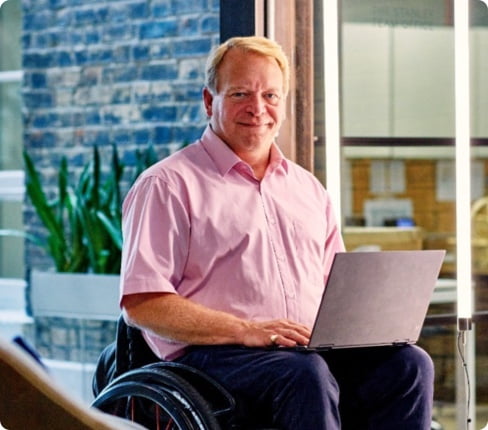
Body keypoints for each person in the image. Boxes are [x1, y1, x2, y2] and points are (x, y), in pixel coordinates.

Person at [120, 36, 434, 429]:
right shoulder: (166, 185)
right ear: (208, 101)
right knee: (304, 373)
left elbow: (333, 288)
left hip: (304, 352)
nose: (257, 109)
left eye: (271, 95)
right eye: (239, 94)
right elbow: (143, 303)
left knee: (408, 364)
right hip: (212, 360)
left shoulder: (308, 189)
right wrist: (248, 330)